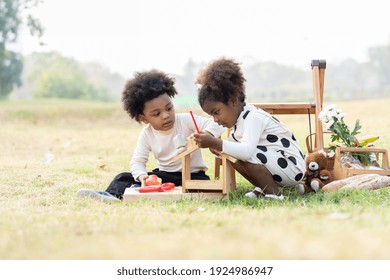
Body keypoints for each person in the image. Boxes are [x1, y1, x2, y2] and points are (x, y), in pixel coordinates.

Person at [77, 69, 224, 202]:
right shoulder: (147, 134)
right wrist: (142, 176)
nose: (166, 116)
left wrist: (207, 134)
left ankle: (149, 191)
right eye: (157, 114)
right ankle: (111, 196)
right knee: (123, 177)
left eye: (169, 108)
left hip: (194, 175)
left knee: (200, 186)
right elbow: (137, 161)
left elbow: (217, 123)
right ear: (143, 118)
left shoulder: (186, 120)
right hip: (165, 175)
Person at [193, 57, 306, 200]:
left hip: (290, 166)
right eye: (211, 115)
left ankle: (274, 193)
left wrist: (216, 143)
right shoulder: (237, 118)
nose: (215, 118)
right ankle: (263, 186)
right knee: (232, 151)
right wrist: (214, 143)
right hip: (277, 165)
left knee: (240, 150)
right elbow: (216, 128)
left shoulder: (253, 117)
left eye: (216, 112)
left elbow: (246, 152)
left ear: (233, 101)